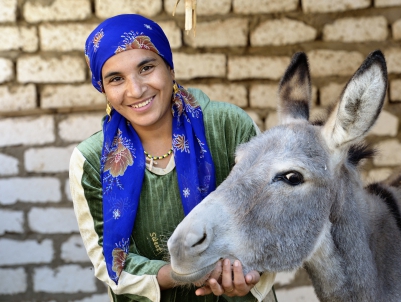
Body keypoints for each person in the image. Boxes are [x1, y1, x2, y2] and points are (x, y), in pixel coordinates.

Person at [69, 14, 277, 302]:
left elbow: (273, 218)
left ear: (169, 67)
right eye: (116, 78)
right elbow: (109, 263)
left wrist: (250, 274)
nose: (136, 89)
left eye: (147, 67)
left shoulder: (230, 126)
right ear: (103, 89)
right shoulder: (91, 160)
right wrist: (183, 272)